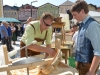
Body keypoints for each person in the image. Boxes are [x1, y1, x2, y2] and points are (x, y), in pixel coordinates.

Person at [71, 1, 100, 75]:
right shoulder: (83, 24)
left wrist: (91, 71)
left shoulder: (92, 25)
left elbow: (98, 51)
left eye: (75, 14)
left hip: (88, 66)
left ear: (82, 11)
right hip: (82, 64)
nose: (73, 17)